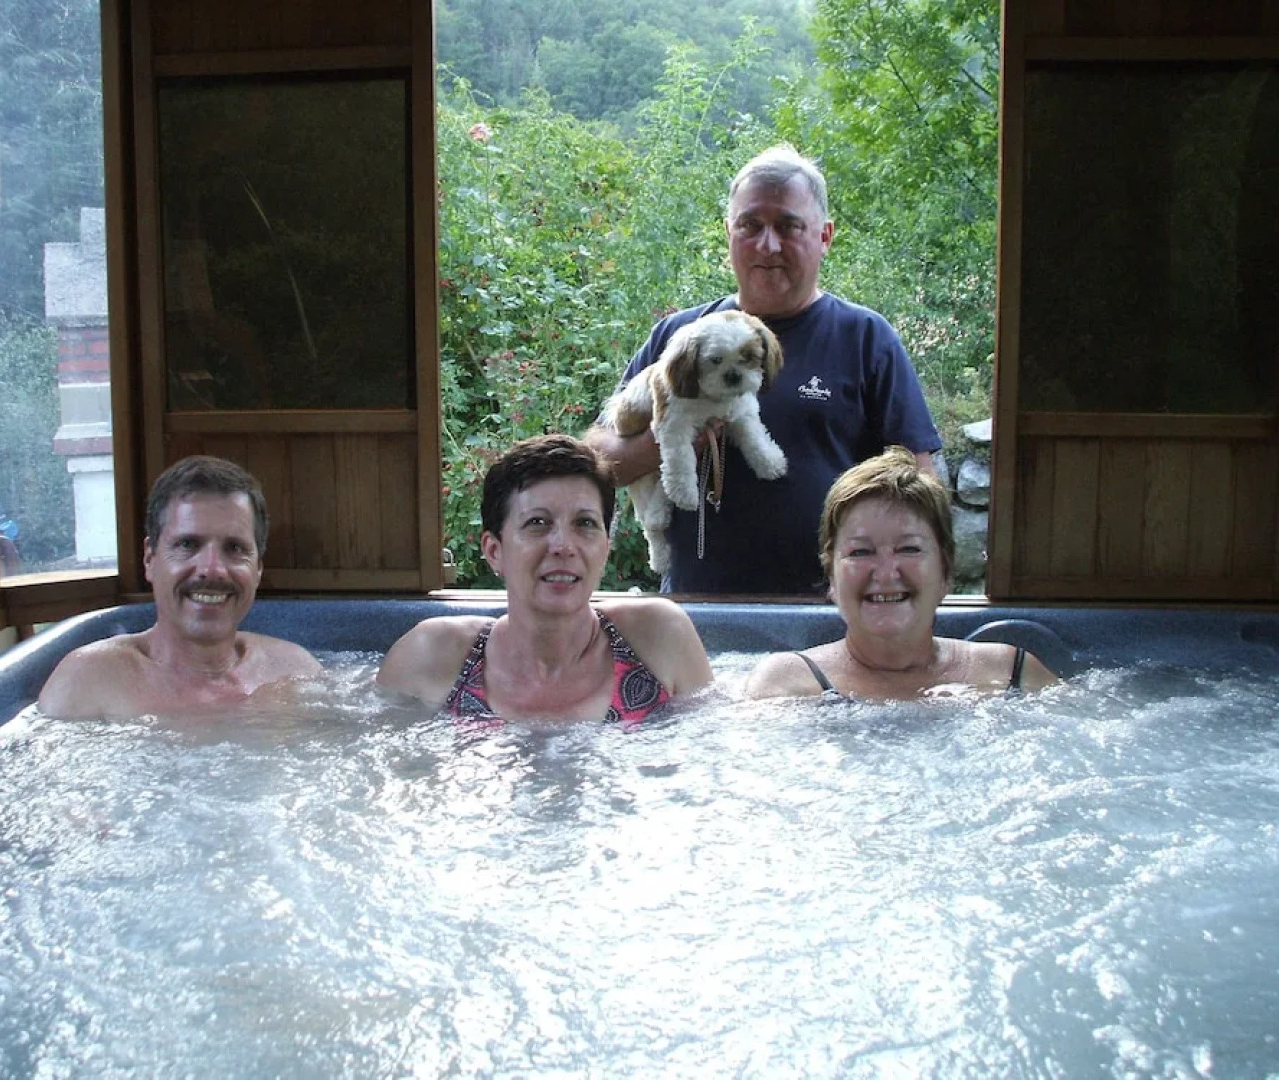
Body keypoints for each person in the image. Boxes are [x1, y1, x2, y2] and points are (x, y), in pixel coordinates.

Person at [586, 144, 943, 595]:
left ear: (825, 236)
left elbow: (918, 484)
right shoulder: (681, 337)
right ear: (728, 233)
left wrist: (889, 579)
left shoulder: (866, 338)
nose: (768, 244)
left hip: (834, 614)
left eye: (789, 226)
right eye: (750, 225)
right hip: (696, 608)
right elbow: (599, 461)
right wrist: (680, 434)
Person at [377, 434, 713, 724]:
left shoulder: (659, 639)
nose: (563, 546)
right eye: (537, 523)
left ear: (605, 548)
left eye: (584, 523)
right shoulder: (428, 656)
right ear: (494, 551)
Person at [745, 447, 1057, 701]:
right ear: (832, 578)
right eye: (860, 552)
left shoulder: (1011, 675)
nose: (884, 573)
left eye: (908, 549)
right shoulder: (788, 686)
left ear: (946, 571)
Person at [38, 455, 322, 719]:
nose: (212, 569)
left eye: (234, 548)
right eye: (188, 544)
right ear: (150, 558)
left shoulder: (294, 670)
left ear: (258, 568)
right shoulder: (87, 682)